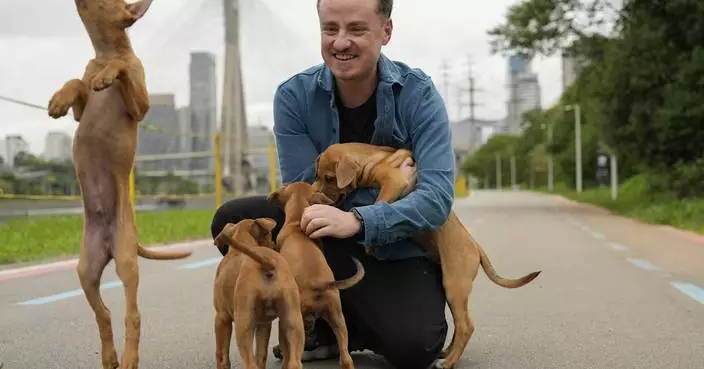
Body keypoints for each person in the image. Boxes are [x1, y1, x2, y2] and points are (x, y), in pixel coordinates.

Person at [209, 0, 456, 367]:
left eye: (356, 29)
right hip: (322, 237)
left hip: (394, 246)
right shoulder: (294, 96)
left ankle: (343, 319)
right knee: (235, 221)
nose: (340, 42)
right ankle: (315, 318)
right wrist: (392, 185)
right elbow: (301, 193)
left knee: (415, 346)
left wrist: (361, 220)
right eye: (330, 29)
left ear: (385, 31)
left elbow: (436, 200)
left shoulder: (418, 95)